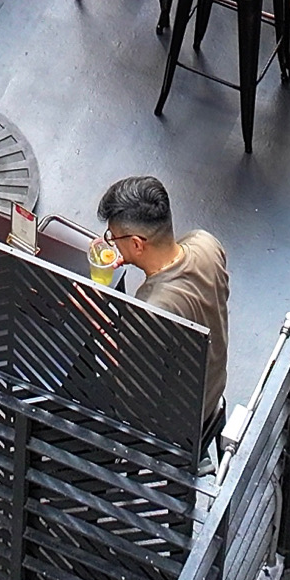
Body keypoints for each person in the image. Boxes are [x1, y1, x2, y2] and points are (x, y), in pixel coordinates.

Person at [96, 173, 231, 440]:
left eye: (113, 238)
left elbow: (132, 402)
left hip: (177, 424)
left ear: (136, 244)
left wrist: (99, 324)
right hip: (213, 387)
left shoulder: (151, 310)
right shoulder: (206, 244)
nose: (111, 242)